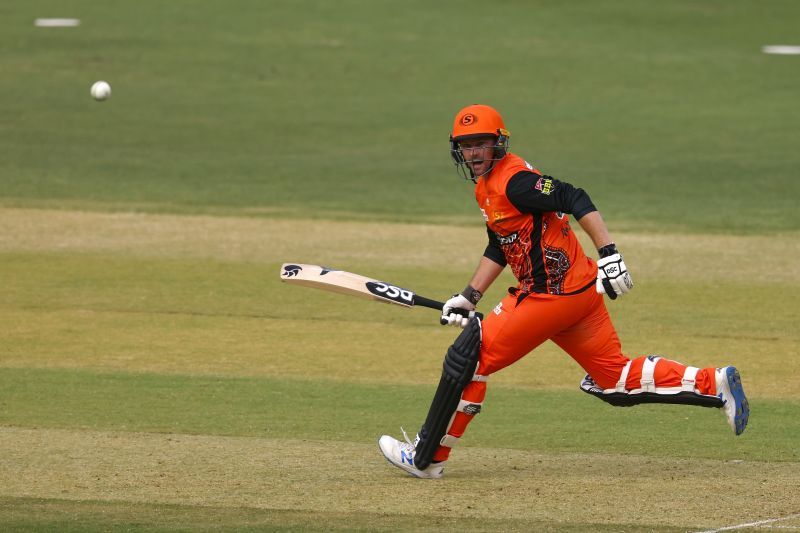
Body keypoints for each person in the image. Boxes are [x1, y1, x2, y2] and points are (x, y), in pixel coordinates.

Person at [378, 104, 750, 479]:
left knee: (470, 359)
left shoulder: (515, 182)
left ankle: (427, 458)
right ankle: (715, 383)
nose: (473, 153)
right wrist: (469, 295)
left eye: (481, 144)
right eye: (466, 145)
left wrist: (609, 253)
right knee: (614, 378)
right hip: (579, 295)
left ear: (498, 144)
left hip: (549, 296)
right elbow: (500, 243)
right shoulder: (487, 189)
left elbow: (574, 196)